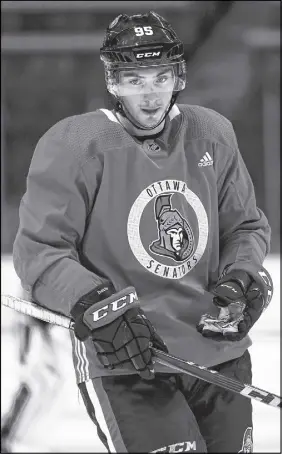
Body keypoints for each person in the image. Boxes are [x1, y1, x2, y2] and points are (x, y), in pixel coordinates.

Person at [13, 11, 273, 453]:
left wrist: (242, 277)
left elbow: (244, 227)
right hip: (127, 361)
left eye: (160, 77)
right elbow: (39, 252)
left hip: (219, 356)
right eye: (134, 80)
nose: (150, 95)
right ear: (113, 82)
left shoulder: (212, 133)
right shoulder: (75, 144)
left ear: (178, 76)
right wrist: (94, 303)